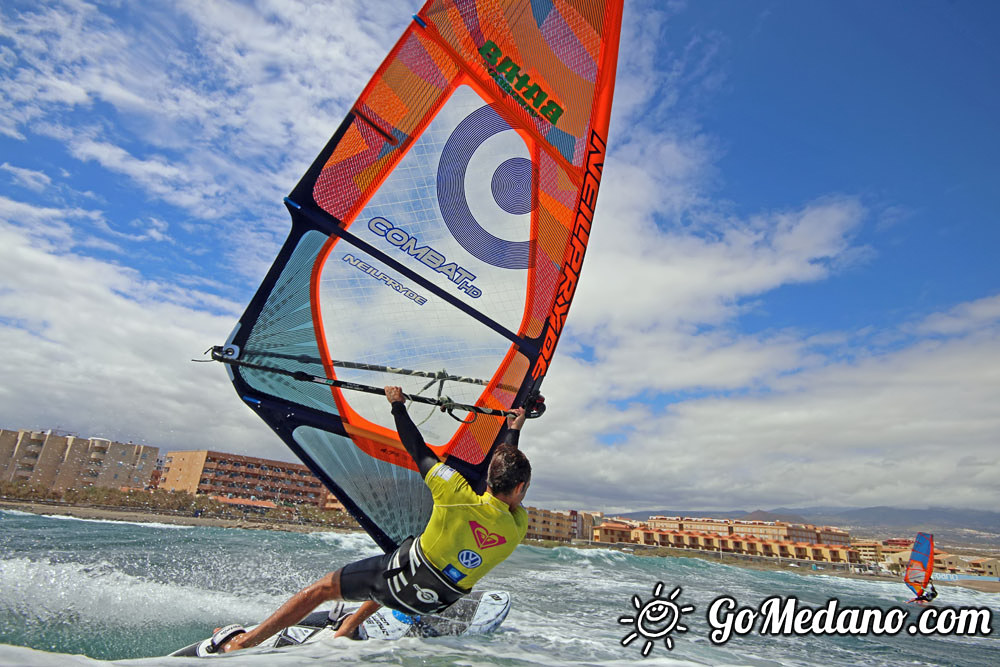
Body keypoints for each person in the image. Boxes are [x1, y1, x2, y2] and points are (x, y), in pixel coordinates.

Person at [217, 386, 530, 652]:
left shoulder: (454, 493)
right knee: (403, 558)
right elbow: (508, 492)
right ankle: (350, 625)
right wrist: (513, 431)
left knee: (326, 588)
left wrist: (397, 406)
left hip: (398, 586)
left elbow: (417, 449)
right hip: (435, 602)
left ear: (489, 477)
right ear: (520, 488)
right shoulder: (517, 527)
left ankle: (243, 643)